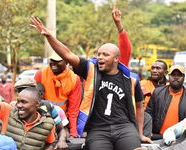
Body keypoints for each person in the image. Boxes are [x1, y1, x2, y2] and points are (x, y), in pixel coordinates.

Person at [31, 14, 152, 150]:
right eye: (99, 54)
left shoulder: (131, 79)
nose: (100, 57)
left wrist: (140, 134)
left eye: (105, 55)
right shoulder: (90, 70)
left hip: (124, 127)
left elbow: (140, 107)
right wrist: (49, 37)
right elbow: (68, 54)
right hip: (98, 129)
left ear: (116, 59)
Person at [34, 51, 81, 138]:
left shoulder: (74, 79)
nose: (53, 63)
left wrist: (73, 132)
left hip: (63, 121)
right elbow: (35, 101)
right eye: (52, 60)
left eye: (58, 60)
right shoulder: (41, 74)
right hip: (44, 119)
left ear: (67, 61)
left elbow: (73, 109)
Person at [14, 78, 68, 149]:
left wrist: (62, 141)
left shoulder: (48, 106)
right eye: (19, 90)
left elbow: (61, 129)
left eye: (26, 89)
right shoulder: (13, 109)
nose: (23, 93)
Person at [146, 65, 186, 139]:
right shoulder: (157, 93)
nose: (176, 77)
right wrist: (147, 132)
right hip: (157, 137)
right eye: (173, 75)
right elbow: (148, 113)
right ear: (168, 77)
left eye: (179, 75)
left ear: (184, 78)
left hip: (180, 139)